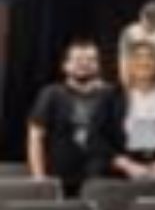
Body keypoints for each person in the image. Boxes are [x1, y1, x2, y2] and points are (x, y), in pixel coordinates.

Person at [90, 42, 155, 180]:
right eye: (138, 57)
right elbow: (97, 137)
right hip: (121, 171)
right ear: (129, 65)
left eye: (150, 57)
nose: (144, 62)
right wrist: (126, 165)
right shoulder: (112, 97)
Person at [28, 41, 109, 196]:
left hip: (100, 182)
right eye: (78, 59)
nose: (84, 64)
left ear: (98, 65)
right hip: (58, 180)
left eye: (90, 59)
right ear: (65, 66)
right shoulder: (51, 94)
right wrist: (39, 176)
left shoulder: (110, 95)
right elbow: (35, 137)